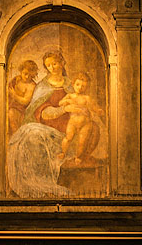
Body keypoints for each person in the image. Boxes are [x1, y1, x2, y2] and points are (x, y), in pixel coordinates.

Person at [6, 50, 100, 197]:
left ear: (62, 63)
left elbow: (86, 104)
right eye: (48, 65)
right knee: (31, 135)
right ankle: (37, 184)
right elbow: (40, 112)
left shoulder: (72, 84)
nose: (52, 67)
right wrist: (64, 109)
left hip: (69, 130)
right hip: (47, 127)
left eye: (54, 63)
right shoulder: (43, 86)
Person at [57, 72, 104, 164]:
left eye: (83, 86)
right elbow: (60, 103)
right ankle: (63, 152)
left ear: (86, 87)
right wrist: (66, 101)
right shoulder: (70, 96)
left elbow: (94, 107)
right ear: (73, 84)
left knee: (82, 141)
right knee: (68, 138)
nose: (80, 87)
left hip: (85, 124)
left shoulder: (87, 98)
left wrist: (98, 110)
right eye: (78, 84)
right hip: (73, 123)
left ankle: (78, 157)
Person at [7, 59, 38, 135]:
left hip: (24, 111)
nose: (27, 77)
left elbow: (25, 101)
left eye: (30, 75)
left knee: (12, 115)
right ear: (21, 71)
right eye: (25, 73)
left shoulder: (31, 85)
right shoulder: (17, 80)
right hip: (12, 106)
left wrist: (14, 95)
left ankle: (17, 137)